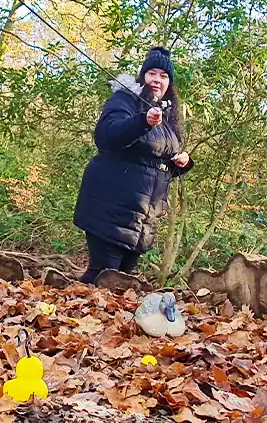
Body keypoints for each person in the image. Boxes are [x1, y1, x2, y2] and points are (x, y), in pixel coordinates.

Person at [74, 47, 193, 283]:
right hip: (110, 208)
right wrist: (143, 122)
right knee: (101, 279)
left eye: (164, 76)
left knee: (121, 284)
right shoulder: (125, 99)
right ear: (143, 76)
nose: (157, 80)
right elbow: (108, 134)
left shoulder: (168, 116)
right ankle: (70, 318)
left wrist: (183, 162)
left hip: (143, 218)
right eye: (152, 74)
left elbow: (156, 162)